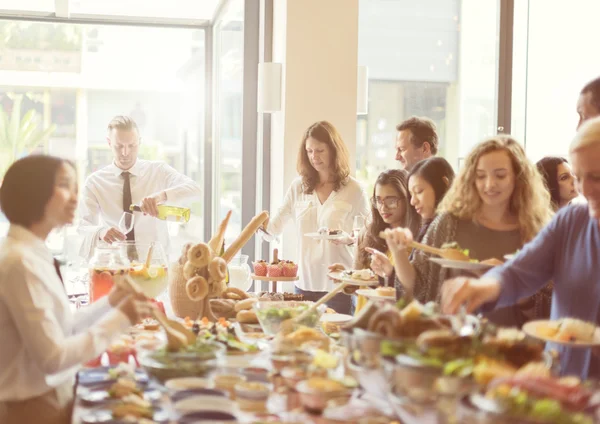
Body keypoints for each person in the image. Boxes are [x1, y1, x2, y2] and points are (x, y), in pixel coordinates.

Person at [441, 116, 600, 379]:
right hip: (562, 384)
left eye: (596, 176)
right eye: (579, 177)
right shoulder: (571, 222)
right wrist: (483, 287)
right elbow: (518, 271)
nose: (586, 189)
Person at [0, 155, 150, 424]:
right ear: (33, 191)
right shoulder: (19, 263)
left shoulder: (32, 252)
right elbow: (53, 358)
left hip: (53, 397)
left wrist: (111, 302)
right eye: (65, 185)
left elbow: (62, 328)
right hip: (32, 409)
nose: (75, 196)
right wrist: (121, 319)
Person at [384, 136, 553, 327]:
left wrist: (507, 282)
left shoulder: (535, 231)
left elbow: (551, 304)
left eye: (500, 175)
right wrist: (398, 253)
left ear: (518, 176)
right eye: (481, 176)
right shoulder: (449, 223)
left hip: (512, 345)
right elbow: (417, 287)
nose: (489, 184)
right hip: (452, 342)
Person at [265, 121, 369, 314]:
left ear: (334, 150)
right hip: (304, 284)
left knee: (335, 340)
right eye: (309, 151)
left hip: (339, 286)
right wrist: (261, 226)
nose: (314, 157)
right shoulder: (298, 187)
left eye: (320, 150)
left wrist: (349, 239)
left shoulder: (354, 189)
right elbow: (273, 229)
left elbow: (367, 234)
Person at [78, 116, 201, 257]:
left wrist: (162, 196)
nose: (125, 153)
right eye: (119, 146)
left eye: (132, 146)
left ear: (139, 142)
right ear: (109, 143)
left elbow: (196, 189)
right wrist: (101, 232)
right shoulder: (95, 182)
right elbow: (83, 227)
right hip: (116, 266)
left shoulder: (158, 171)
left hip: (155, 266)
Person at [329, 169, 419, 310]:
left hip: (394, 321)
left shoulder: (416, 240)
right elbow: (360, 286)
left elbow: (414, 293)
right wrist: (346, 277)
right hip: (364, 320)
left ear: (407, 199)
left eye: (391, 201)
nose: (383, 207)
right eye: (378, 200)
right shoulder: (367, 234)